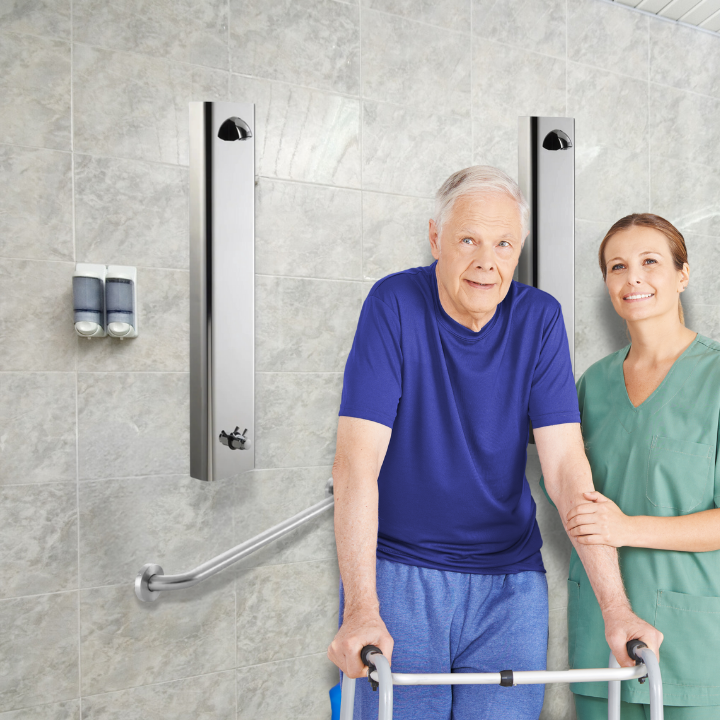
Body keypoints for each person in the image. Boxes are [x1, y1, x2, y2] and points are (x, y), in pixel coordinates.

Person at [327, 166, 662, 720]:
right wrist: (362, 606)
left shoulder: (539, 318)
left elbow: (565, 470)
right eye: (469, 240)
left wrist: (616, 609)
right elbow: (356, 464)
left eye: (504, 243)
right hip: (403, 575)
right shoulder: (394, 305)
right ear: (436, 238)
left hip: (511, 587)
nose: (487, 261)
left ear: (519, 248)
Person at [560, 213, 720, 720]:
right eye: (617, 266)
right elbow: (568, 490)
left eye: (650, 262)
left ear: (683, 274)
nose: (633, 278)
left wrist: (626, 527)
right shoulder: (592, 386)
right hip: (598, 646)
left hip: (691, 648)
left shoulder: (715, 380)